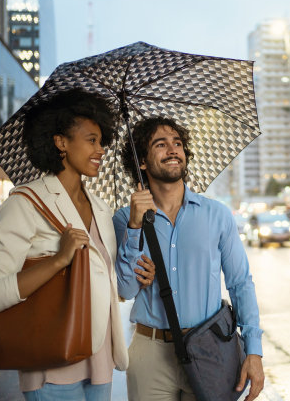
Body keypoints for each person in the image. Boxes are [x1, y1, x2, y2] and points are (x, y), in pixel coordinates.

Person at [0, 88, 155, 401]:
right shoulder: (25, 203)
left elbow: (120, 290)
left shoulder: (100, 208)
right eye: (91, 140)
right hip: (51, 365)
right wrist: (58, 260)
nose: (101, 150)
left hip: (100, 363)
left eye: (102, 141)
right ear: (61, 142)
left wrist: (136, 238)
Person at [113, 117, 265, 401]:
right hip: (150, 353)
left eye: (178, 143)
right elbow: (124, 289)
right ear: (142, 162)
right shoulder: (124, 218)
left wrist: (253, 351)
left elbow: (240, 283)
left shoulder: (216, 215)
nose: (173, 150)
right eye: (160, 144)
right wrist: (134, 228)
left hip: (210, 350)